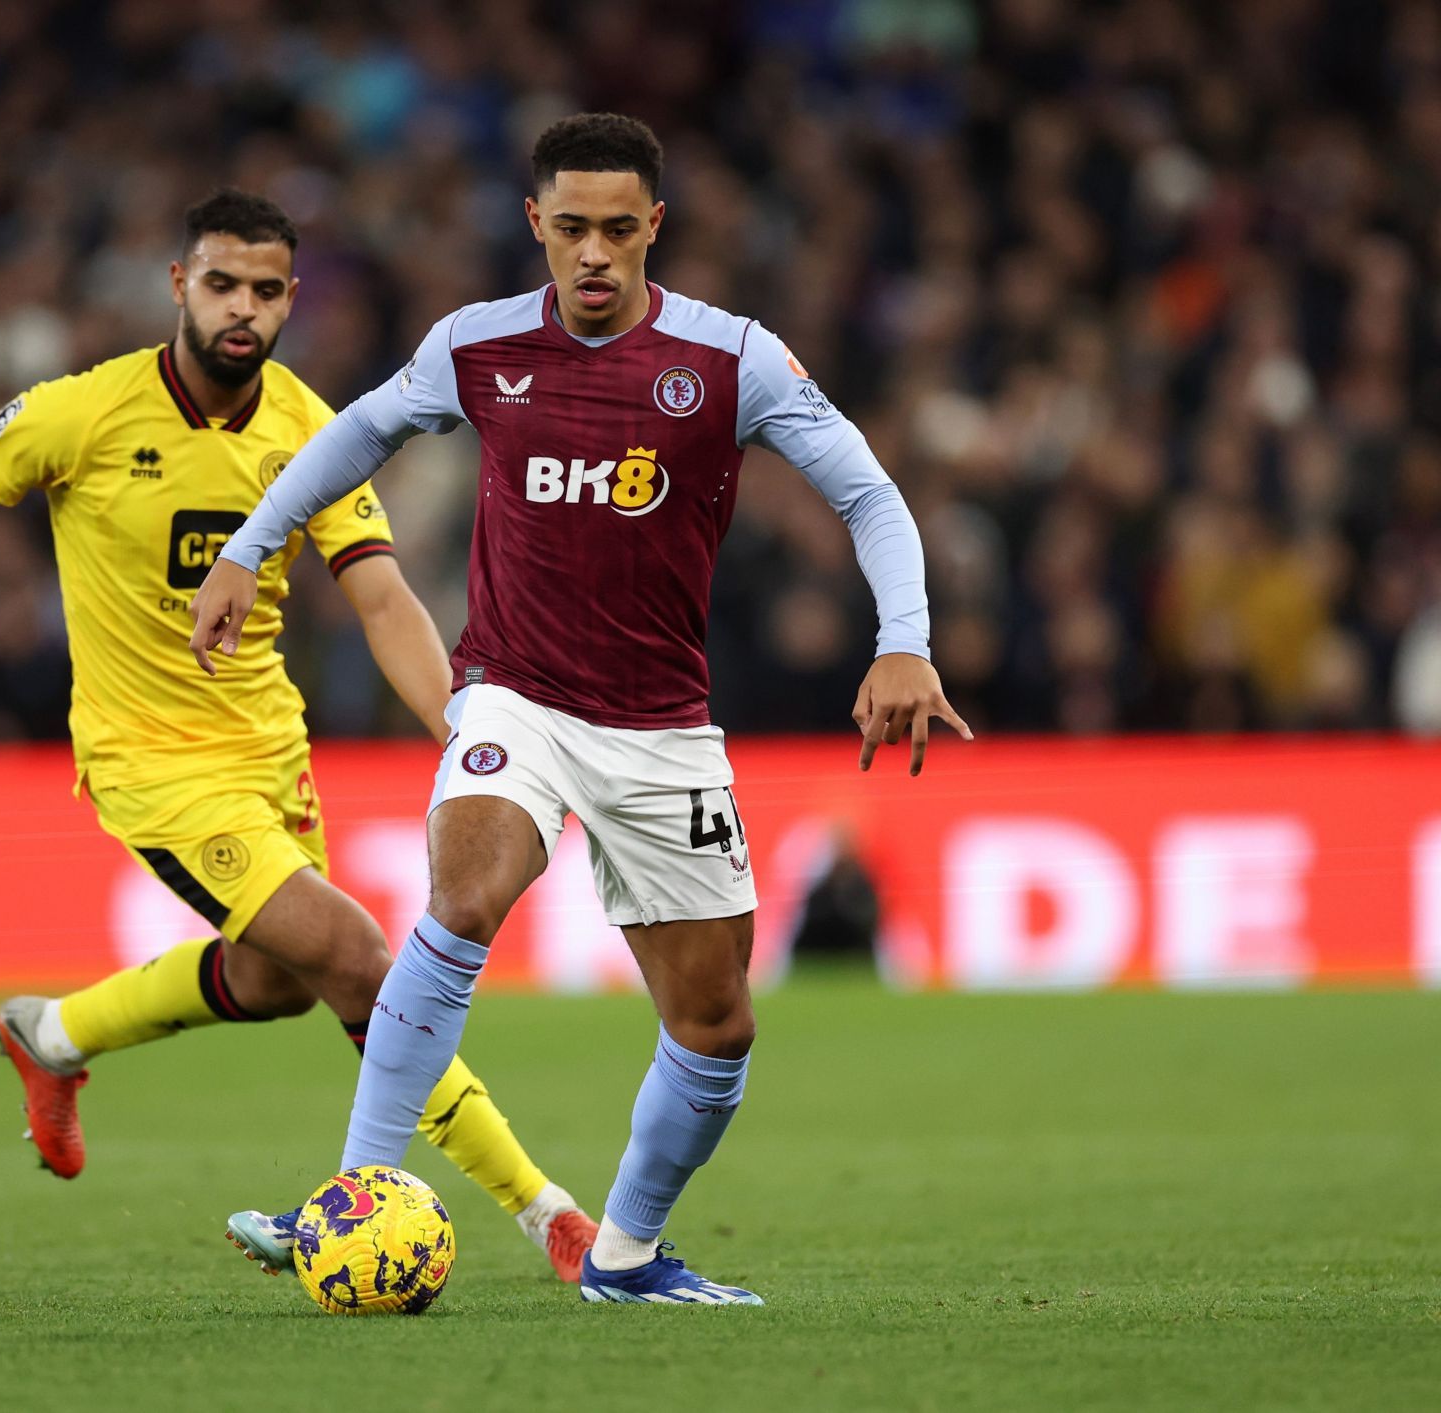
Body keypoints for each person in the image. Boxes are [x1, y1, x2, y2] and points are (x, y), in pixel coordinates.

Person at [0, 189, 598, 1283]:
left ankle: (52, 1037)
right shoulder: (83, 413)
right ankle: (549, 1214)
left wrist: (465, 736)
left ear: (291, 300)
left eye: (265, 291)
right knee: (360, 959)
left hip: (269, 752)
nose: (242, 310)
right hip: (151, 762)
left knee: (275, 983)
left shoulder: (312, 427)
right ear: (179, 286)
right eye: (221, 284)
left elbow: (385, 599)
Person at [191, 117, 972, 1306]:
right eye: (572, 229)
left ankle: (626, 1256)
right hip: (515, 694)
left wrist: (905, 640)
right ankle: (348, 1198)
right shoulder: (478, 345)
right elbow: (360, 429)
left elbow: (868, 493)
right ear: (536, 228)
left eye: (619, 228)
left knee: (716, 1028)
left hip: (664, 730)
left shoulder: (734, 359)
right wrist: (251, 547)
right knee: (464, 895)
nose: (595, 254)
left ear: (655, 226)